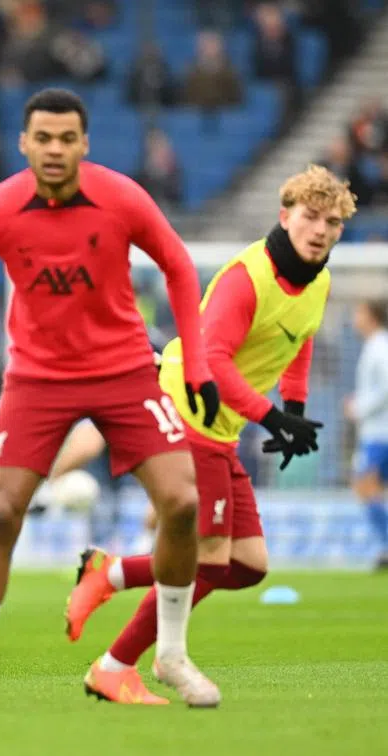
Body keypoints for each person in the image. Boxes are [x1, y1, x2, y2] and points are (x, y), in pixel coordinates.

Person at [0, 88, 223, 711]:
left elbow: (179, 266)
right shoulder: (0, 207)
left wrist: (198, 365)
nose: (55, 149)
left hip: (125, 370)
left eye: (66, 139)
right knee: (2, 514)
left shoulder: (122, 197)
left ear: (84, 143)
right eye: (43, 139)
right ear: (24, 143)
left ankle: (172, 655)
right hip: (38, 379)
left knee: (184, 503)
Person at [66, 165, 355, 703]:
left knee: (248, 565)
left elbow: (301, 337)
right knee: (210, 556)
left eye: (333, 222)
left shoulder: (319, 278)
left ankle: (109, 575)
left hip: (221, 424)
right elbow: (212, 361)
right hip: (186, 409)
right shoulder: (248, 277)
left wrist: (293, 406)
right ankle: (119, 664)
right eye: (311, 217)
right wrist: (272, 417)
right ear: (285, 215)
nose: (320, 230)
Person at [347, 299, 388, 569]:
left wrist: (360, 407)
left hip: (380, 433)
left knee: (365, 487)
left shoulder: (379, 347)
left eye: (358, 311)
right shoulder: (374, 345)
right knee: (370, 489)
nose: (355, 317)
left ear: (370, 316)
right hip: (375, 432)